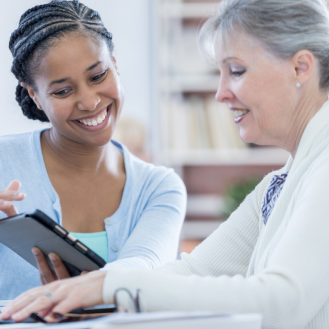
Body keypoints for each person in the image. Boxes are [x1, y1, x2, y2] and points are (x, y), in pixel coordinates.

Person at [5, 0, 329, 327]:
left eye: (237, 71)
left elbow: (282, 300)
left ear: (301, 68)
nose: (220, 94)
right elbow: (190, 271)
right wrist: (96, 287)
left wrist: (107, 286)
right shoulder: (283, 180)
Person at [0, 0, 186, 300]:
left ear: (115, 63)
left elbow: (144, 268)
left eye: (98, 75)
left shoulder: (160, 188)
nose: (89, 102)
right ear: (34, 94)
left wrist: (80, 293)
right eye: (63, 91)